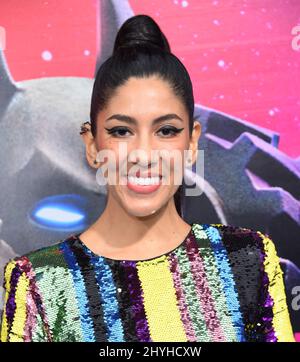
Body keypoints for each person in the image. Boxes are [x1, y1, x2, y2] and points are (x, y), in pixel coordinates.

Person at [0, 14, 295, 342]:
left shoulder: (248, 260)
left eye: (166, 130)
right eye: (121, 131)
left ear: (192, 142)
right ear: (93, 144)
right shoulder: (36, 281)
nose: (143, 154)